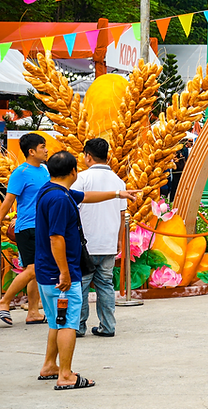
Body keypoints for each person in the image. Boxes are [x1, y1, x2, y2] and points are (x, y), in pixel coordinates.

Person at [34, 151, 136, 389]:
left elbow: (86, 196)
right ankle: (65, 375)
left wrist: (117, 194)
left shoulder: (52, 191)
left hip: (46, 270)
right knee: (68, 323)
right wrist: (65, 272)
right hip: (60, 273)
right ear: (73, 171)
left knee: (55, 321)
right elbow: (56, 238)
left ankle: (50, 366)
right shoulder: (60, 199)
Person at [72, 138, 126, 338]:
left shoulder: (81, 179)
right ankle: (108, 326)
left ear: (88, 156)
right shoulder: (118, 181)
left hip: (85, 243)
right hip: (109, 242)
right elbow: (122, 215)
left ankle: (78, 326)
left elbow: (73, 209)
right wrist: (119, 240)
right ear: (107, 156)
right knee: (106, 285)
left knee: (81, 285)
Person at [0, 133, 51, 326]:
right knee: (33, 269)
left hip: (43, 227)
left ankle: (33, 312)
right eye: (42, 147)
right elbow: (7, 202)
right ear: (31, 151)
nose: (46, 150)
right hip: (28, 228)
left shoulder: (45, 170)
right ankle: (4, 302)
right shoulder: (20, 173)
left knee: (34, 272)